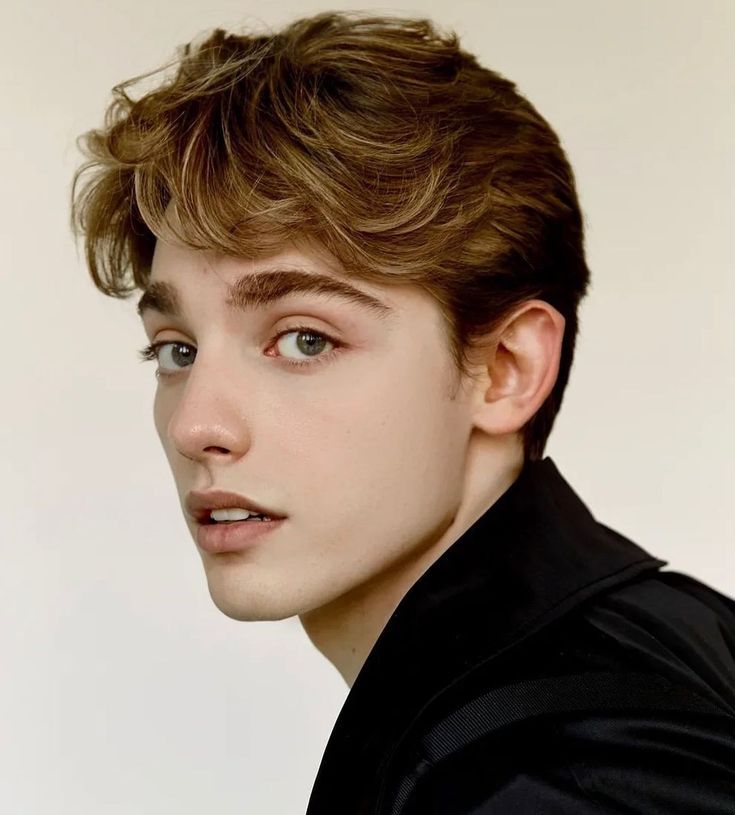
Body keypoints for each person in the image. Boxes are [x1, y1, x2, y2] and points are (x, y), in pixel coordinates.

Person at [69, 11, 735, 813]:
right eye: (176, 349)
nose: (196, 426)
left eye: (304, 339)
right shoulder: (653, 641)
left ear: (504, 369)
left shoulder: (539, 778)